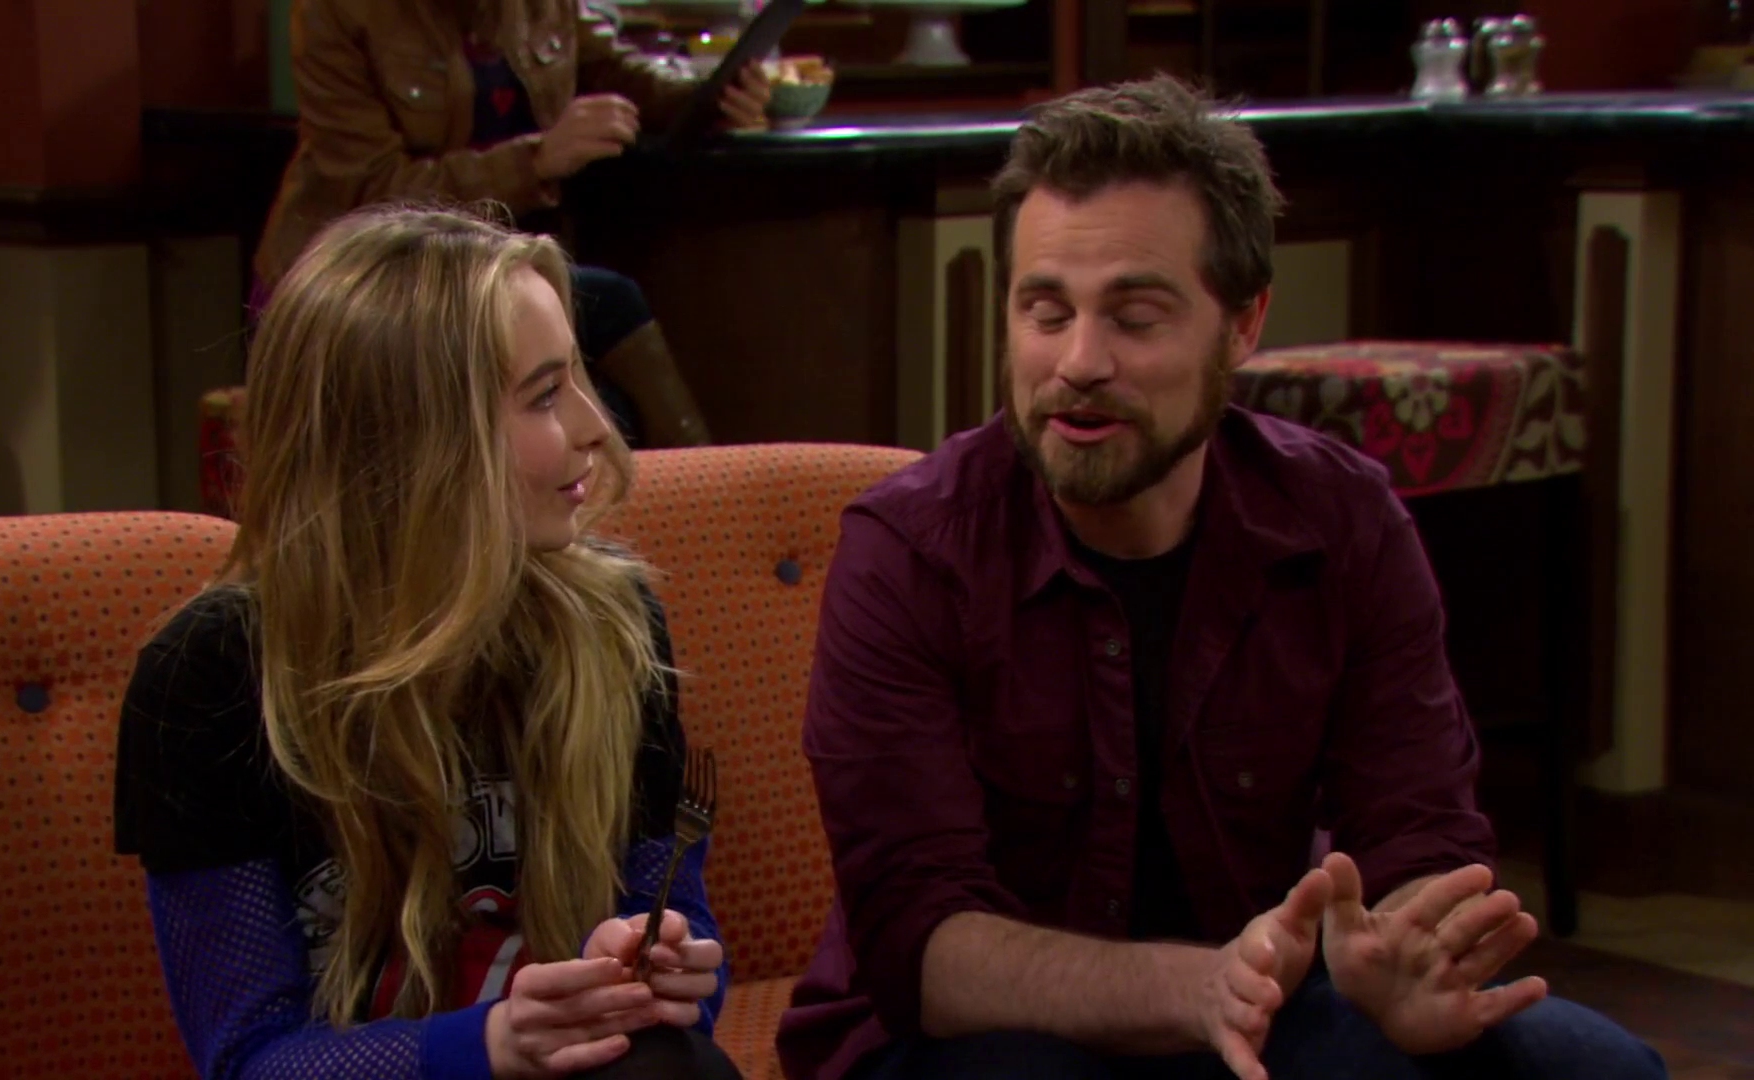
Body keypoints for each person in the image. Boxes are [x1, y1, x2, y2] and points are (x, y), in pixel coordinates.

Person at [775, 76, 1667, 1080]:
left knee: (1596, 1071)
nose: (1078, 362)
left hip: (1261, 1002)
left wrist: (1407, 953)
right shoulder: (911, 551)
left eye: (1135, 317)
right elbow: (920, 944)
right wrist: (1195, 989)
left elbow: (1416, 830)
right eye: (1046, 311)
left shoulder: (1341, 522)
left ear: (1242, 325)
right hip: (972, 1035)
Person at [116, 205, 739, 1080]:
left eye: (580, 380)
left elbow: (676, 925)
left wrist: (660, 969)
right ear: (416, 440)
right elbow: (250, 1057)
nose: (597, 426)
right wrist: (489, 1045)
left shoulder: (612, 623)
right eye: (545, 395)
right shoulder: (213, 673)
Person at [251, 0, 775, 447]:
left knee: (610, 407)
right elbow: (371, 192)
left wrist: (714, 95)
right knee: (609, 305)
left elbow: (623, 75)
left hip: (494, 277)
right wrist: (534, 161)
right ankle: (707, 499)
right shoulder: (337, 12)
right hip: (367, 285)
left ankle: (691, 508)